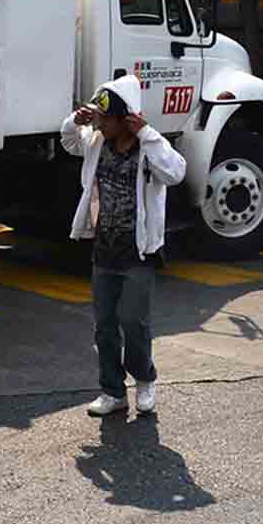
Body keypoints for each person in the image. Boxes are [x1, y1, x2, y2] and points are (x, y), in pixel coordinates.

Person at [62, 74, 188, 417]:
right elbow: (70, 142)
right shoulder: (97, 142)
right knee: (104, 325)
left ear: (126, 120)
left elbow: (176, 172)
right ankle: (113, 392)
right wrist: (75, 122)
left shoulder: (148, 149)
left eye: (105, 118)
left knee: (133, 321)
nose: (99, 123)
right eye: (97, 118)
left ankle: (145, 380)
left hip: (138, 252)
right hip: (104, 249)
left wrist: (147, 133)